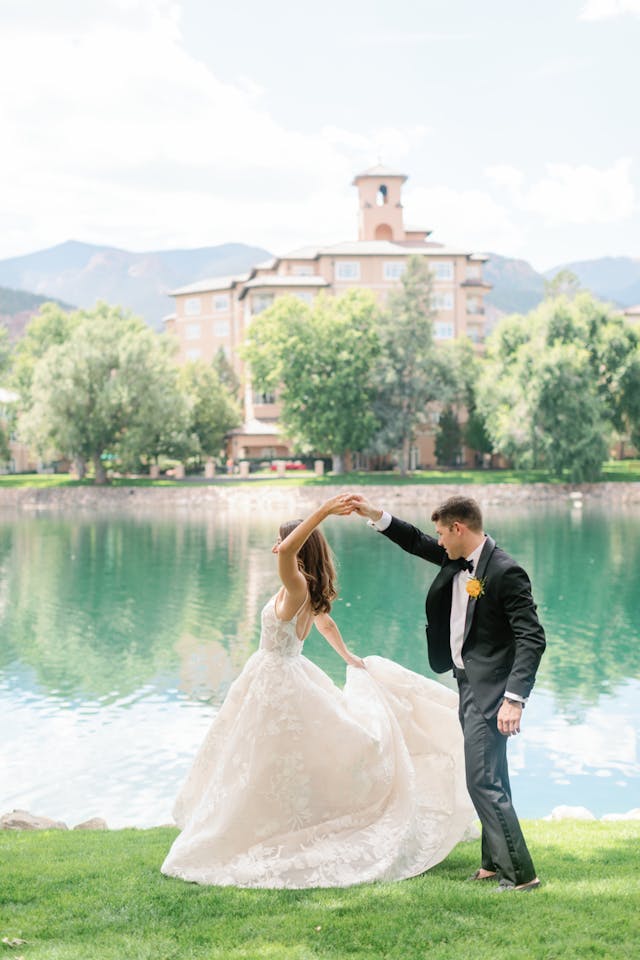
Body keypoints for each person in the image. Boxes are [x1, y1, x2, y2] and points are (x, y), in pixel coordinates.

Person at [161, 494, 474, 889]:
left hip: (276, 677)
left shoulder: (294, 585)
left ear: (294, 549)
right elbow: (325, 625)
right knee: (271, 761)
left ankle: (259, 829)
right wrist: (349, 657)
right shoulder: (308, 589)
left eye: (281, 542)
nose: (277, 547)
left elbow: (290, 549)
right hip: (285, 673)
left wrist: (323, 512)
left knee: (263, 759)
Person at [348, 493, 546, 893]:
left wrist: (514, 698)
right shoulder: (455, 558)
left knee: (481, 780)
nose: (437, 540)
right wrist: (374, 515)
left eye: (442, 532)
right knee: (492, 777)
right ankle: (493, 865)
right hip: (465, 681)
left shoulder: (506, 572)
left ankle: (521, 875)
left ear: (459, 528)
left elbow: (532, 638)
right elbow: (415, 540)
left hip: (492, 690)